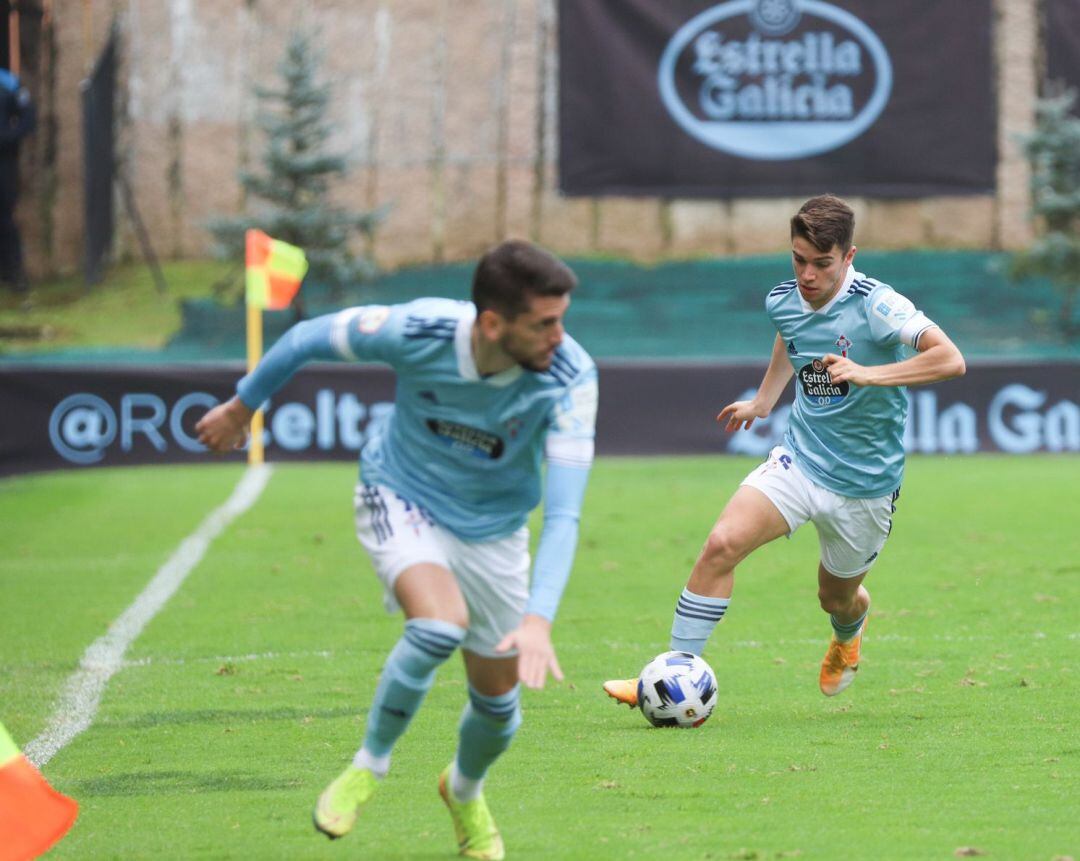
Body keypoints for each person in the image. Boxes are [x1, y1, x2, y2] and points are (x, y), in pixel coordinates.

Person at [196, 240, 596, 860]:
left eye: (561, 319)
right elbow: (305, 339)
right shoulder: (419, 330)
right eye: (544, 323)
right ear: (493, 324)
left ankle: (463, 791)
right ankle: (368, 767)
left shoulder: (570, 377)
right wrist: (242, 405)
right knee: (437, 625)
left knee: (499, 709)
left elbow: (565, 514)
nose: (559, 337)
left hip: (494, 532)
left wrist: (538, 618)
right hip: (402, 494)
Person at [603, 194, 965, 706]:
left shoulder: (878, 305)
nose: (808, 275)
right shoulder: (782, 298)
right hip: (801, 460)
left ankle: (849, 633)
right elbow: (788, 336)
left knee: (835, 597)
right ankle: (669, 678)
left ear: (849, 256)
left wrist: (869, 373)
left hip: (865, 485)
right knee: (721, 545)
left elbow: (950, 359)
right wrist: (764, 400)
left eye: (823, 263)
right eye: (799, 260)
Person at [0, 69, 35, 299]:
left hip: (4, 163)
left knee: (5, 218)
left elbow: (28, 116)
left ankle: (13, 274)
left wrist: (8, 137)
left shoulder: (8, 83)